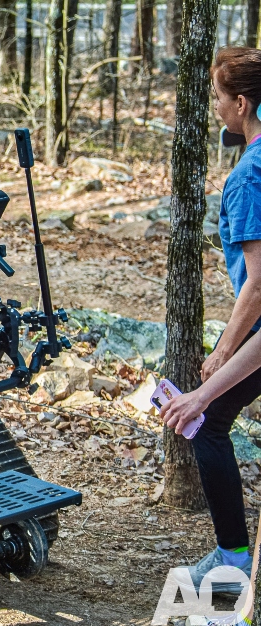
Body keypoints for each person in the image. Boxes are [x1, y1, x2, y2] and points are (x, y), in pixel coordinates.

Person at [165, 47, 261, 594]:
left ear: (242, 103)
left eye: (219, 99)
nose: (216, 109)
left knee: (205, 419)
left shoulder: (248, 177)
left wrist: (223, 352)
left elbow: (258, 284)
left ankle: (233, 559)